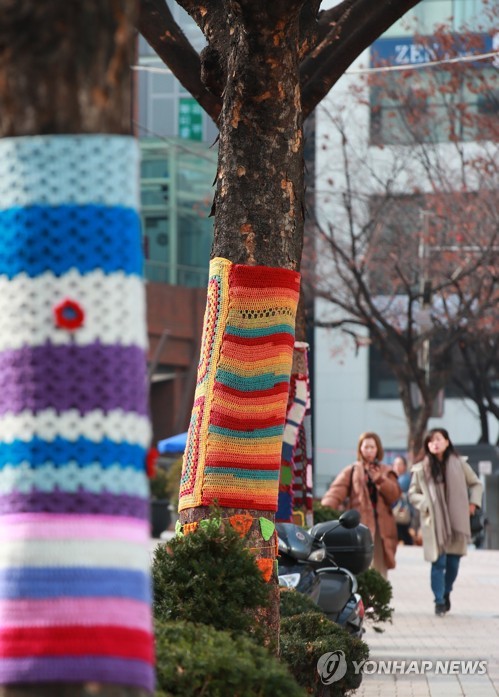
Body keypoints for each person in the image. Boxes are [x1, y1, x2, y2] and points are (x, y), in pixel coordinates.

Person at [408, 428, 483, 616]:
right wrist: (425, 503)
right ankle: (439, 600)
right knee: (438, 563)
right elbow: (412, 494)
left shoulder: (459, 464)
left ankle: (447, 591)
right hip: (435, 524)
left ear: (447, 442)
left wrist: (473, 503)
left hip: (456, 522)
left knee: (453, 565)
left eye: (439, 439)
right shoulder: (421, 469)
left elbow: (476, 484)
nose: (435, 443)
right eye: (431, 441)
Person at [321, 432, 401, 579]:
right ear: (360, 449)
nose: (369, 450)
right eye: (366, 447)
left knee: (380, 567)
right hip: (359, 526)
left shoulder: (386, 471)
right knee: (361, 566)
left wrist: (380, 480)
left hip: (382, 528)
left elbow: (395, 495)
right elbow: (335, 492)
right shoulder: (352, 470)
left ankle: (378, 600)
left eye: (372, 447)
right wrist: (323, 510)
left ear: (378, 449)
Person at [392, 455, 414, 546]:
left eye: (400, 464)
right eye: (395, 464)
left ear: (404, 466)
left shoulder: (404, 479)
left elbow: (394, 492)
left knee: (403, 534)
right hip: (401, 513)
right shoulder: (396, 478)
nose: (397, 466)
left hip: (402, 512)